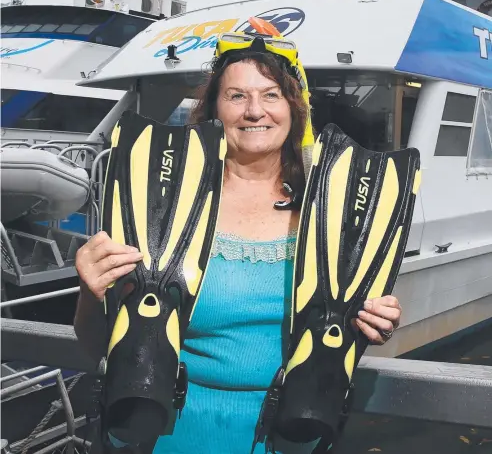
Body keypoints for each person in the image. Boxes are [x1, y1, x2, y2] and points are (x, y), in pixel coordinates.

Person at [74, 38, 402, 454]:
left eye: (272, 95)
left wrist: (373, 320)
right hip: (167, 433)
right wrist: (90, 290)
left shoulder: (327, 211)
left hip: (290, 436)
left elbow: (341, 330)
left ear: (294, 108)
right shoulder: (165, 206)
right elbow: (95, 345)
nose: (254, 111)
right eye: (236, 96)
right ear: (214, 109)